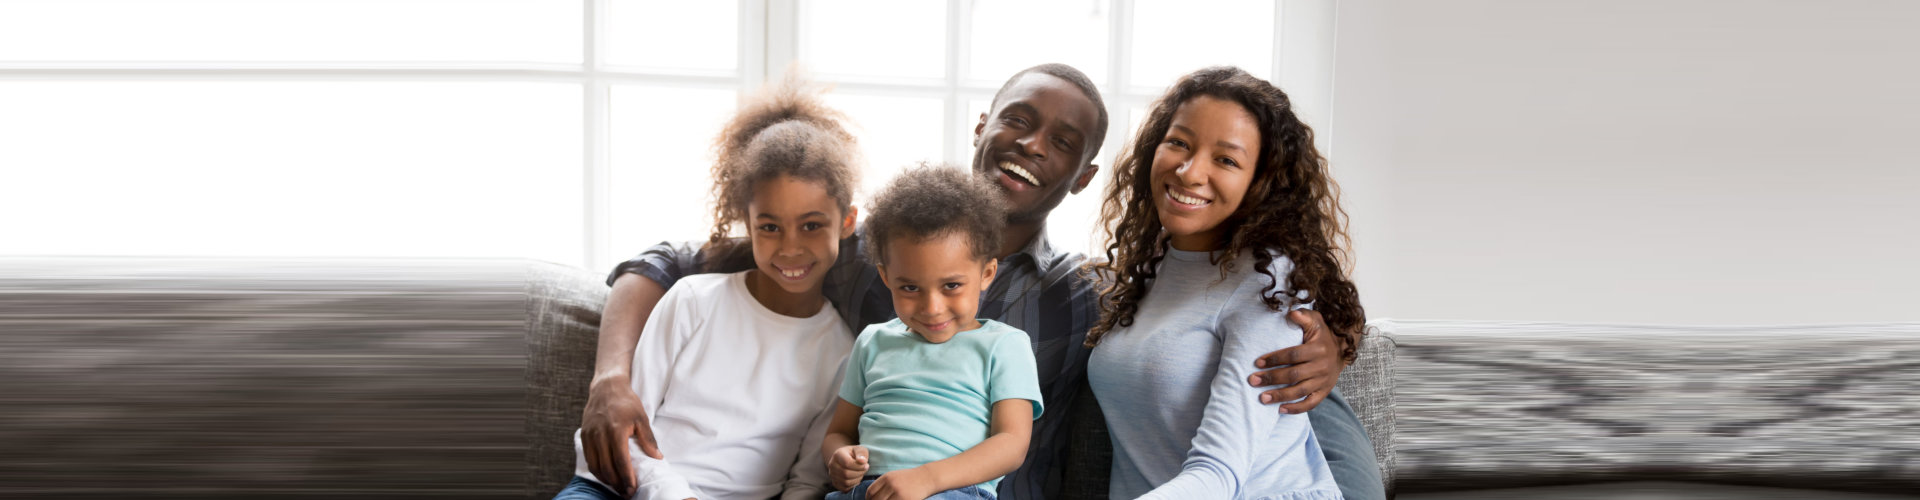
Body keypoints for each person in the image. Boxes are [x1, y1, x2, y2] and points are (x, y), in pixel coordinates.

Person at [582, 63, 1384, 500]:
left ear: (1083, 175)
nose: (1033, 144)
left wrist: (1336, 346)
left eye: (1063, 141)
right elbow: (671, 262)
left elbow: (1276, 399)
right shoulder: (859, 242)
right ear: (982, 125)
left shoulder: (1095, 296)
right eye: (1020, 119)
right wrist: (613, 377)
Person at [556, 75, 862, 500]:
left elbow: (807, 480)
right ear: (748, 224)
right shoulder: (692, 301)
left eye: (812, 226)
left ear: (846, 223)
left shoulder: (843, 352)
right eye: (770, 227)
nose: (791, 248)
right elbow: (628, 429)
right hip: (619, 487)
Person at [1085, 66, 1359, 499]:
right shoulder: (1151, 264)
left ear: (1262, 183)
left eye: (1226, 160)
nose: (1190, 172)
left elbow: (1218, 474)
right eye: (1179, 143)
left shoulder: (1270, 285)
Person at [821, 165, 1043, 500]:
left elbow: (1012, 445)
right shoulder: (873, 341)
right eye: (910, 287)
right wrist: (838, 457)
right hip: (865, 491)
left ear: (986, 274)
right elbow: (839, 432)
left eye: (952, 285)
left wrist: (927, 479)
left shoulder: (1005, 345)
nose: (932, 307)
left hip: (953, 492)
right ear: (886, 277)